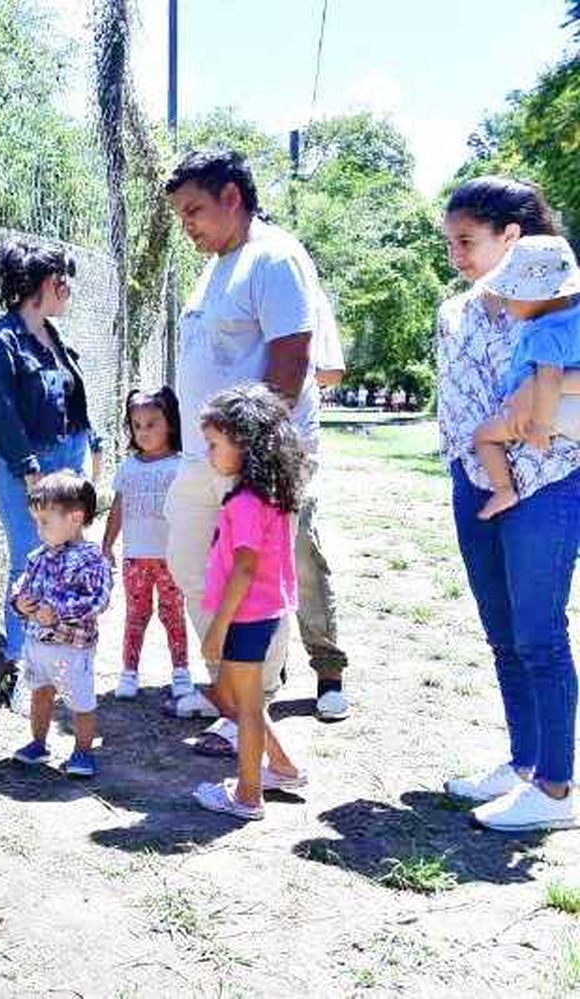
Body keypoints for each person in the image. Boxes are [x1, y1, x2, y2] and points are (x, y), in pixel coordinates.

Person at [160, 149, 351, 744]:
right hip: (202, 456)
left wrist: (248, 456)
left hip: (250, 460)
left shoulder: (274, 258)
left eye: (194, 210)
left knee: (254, 584)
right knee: (190, 563)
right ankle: (228, 685)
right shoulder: (216, 265)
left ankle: (252, 706)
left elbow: (291, 362)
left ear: (232, 198)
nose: (187, 224)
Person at [438, 177, 580, 832]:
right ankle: (523, 765)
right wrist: (467, 467)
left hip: (549, 483)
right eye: (451, 243)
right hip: (477, 481)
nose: (456, 255)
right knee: (502, 635)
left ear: (513, 237)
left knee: (539, 635)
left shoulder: (565, 308)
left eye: (467, 241)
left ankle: (556, 790)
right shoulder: (456, 310)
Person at [0, 237, 96, 669]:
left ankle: (61, 650)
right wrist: (31, 475)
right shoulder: (0, 342)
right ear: (46, 282)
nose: (70, 291)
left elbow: (70, 397)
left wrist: (89, 451)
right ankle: (24, 661)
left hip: (68, 464)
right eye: (65, 282)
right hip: (27, 471)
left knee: (66, 561)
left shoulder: (52, 334)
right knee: (30, 563)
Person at [190, 385, 309, 820]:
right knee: (245, 702)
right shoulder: (270, 495)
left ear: (244, 444)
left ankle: (247, 794)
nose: (209, 453)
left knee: (246, 706)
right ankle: (282, 767)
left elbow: (243, 568)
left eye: (214, 444)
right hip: (263, 612)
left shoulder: (244, 502)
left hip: (244, 616)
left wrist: (218, 628)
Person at [468, 235, 580, 520]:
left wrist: (541, 425)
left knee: (483, 436)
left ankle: (503, 489)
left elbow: (550, 378)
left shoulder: (546, 331)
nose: (504, 303)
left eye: (509, 295)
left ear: (538, 294)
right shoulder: (574, 319)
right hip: (570, 405)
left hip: (552, 410)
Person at [8, 471, 112, 777]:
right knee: (40, 692)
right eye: (37, 521)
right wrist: (20, 603)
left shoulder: (91, 559)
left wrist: (58, 612)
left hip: (72, 647)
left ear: (75, 518)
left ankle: (83, 751)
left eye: (45, 522)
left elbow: (97, 600)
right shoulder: (38, 557)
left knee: (80, 699)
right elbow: (22, 586)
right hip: (37, 644)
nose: (39, 530)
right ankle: (38, 743)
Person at [101, 387, 192, 700]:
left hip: (172, 559)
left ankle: (181, 672)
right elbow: (118, 508)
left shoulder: (181, 465)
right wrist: (107, 545)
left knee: (173, 615)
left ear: (171, 423)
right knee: (136, 615)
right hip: (135, 558)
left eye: (152, 423)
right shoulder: (129, 467)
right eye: (137, 425)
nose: (144, 432)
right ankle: (129, 672)